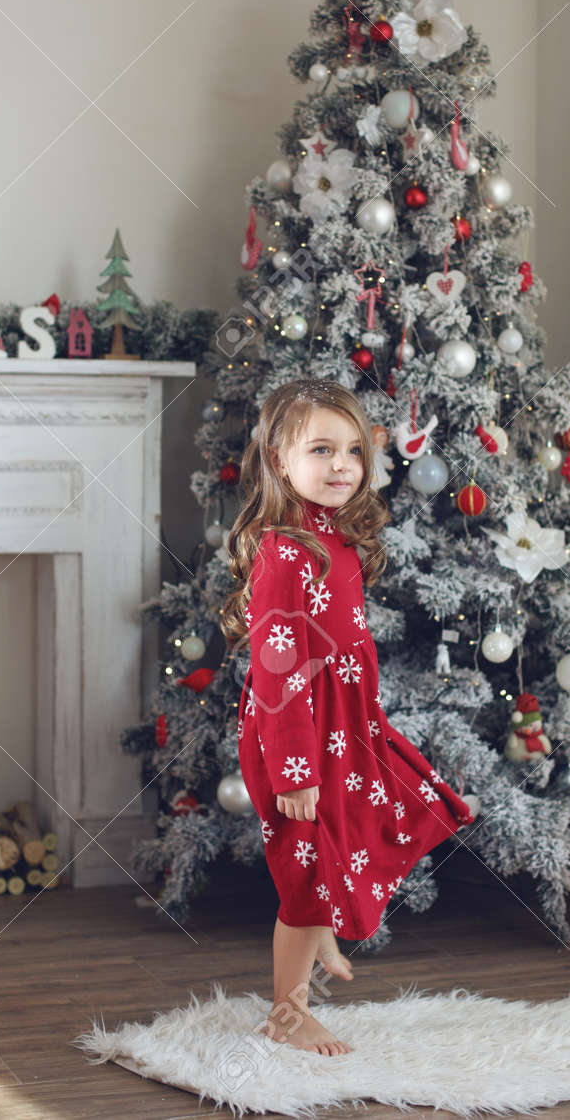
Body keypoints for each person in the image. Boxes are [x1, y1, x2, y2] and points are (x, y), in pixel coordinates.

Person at [220, 378, 475, 1056]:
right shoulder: (285, 553)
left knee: (383, 815)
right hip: (296, 732)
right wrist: (294, 769)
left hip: (347, 724)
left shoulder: (334, 537)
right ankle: (289, 1012)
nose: (342, 466)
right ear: (279, 460)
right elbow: (277, 677)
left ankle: (326, 920)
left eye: (354, 451)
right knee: (305, 869)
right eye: (322, 450)